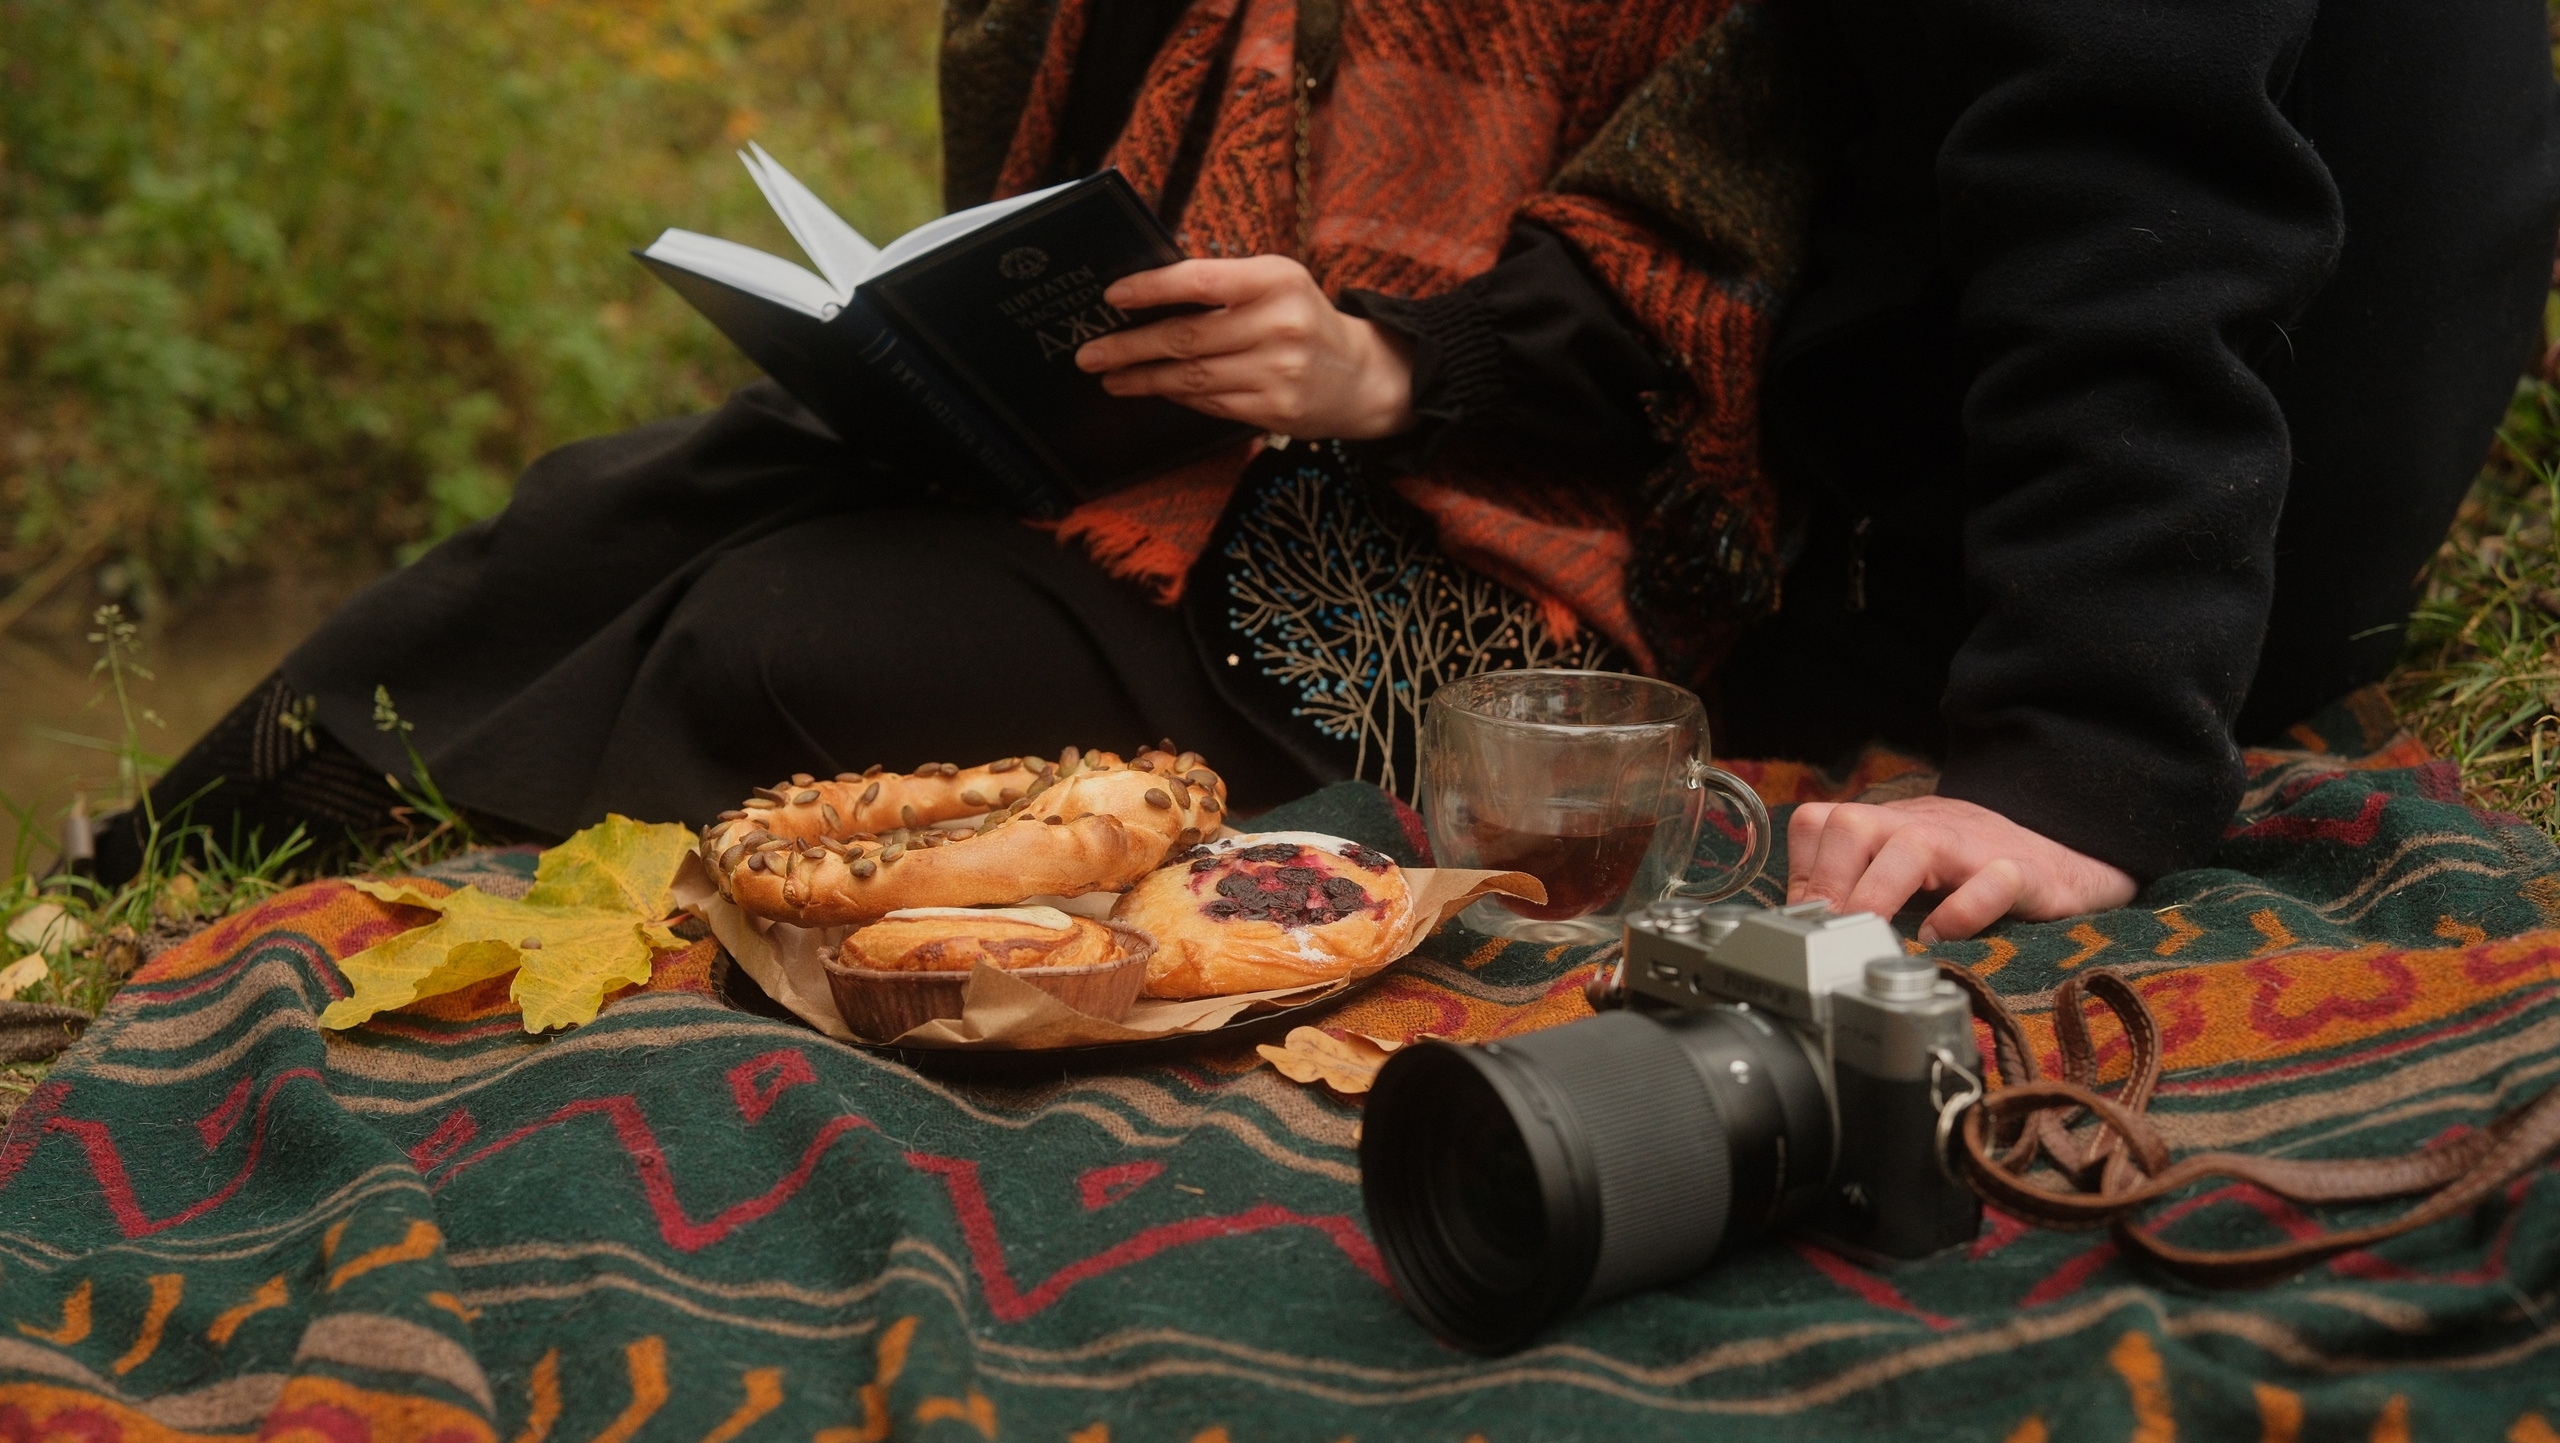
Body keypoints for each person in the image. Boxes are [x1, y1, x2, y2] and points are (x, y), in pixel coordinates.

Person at [114, 0, 2560, 946]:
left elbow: (2100, 220)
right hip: (1323, 459)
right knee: (635, 497)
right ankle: (132, 890)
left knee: (783, 620)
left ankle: (296, 886)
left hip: (1653, 541)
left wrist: (2087, 748)